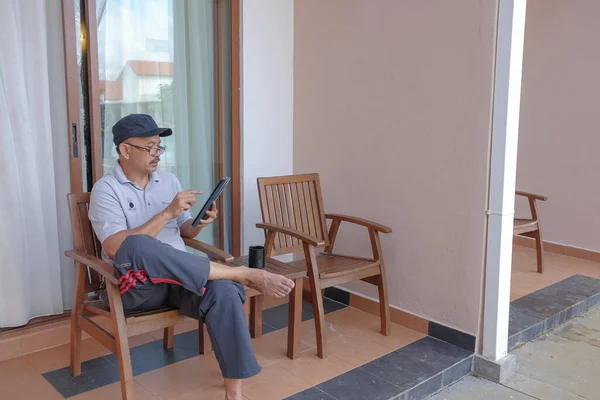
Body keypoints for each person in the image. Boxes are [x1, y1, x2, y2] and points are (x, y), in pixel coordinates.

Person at [88, 114, 294, 400]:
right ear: (125, 150)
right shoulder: (105, 190)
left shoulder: (168, 180)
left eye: (160, 147)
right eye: (150, 147)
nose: (157, 154)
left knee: (223, 290)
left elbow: (185, 232)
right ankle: (242, 273)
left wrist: (198, 222)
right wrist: (166, 213)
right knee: (137, 245)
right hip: (138, 287)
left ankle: (234, 393)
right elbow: (114, 249)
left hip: (180, 279)